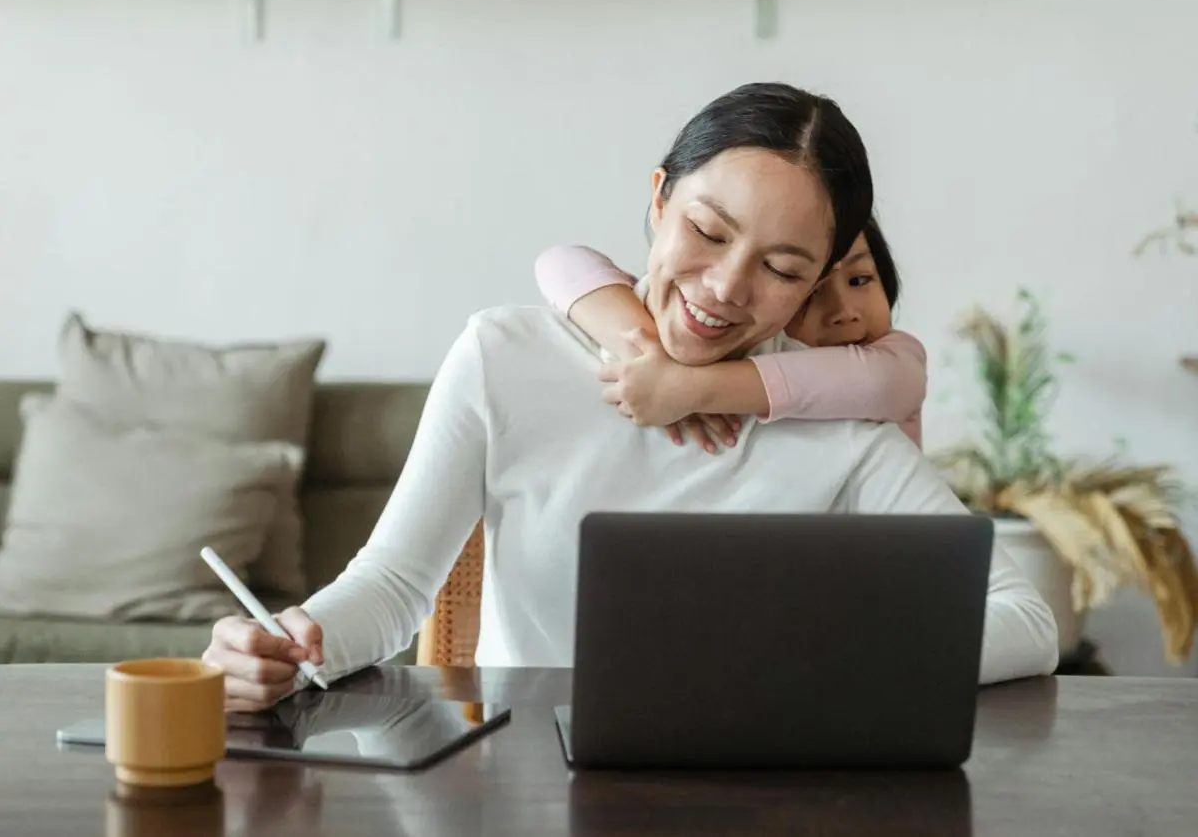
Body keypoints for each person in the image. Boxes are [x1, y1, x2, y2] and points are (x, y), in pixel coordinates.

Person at [203, 82, 1059, 712]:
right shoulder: (505, 357)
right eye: (707, 232)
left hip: (760, 796)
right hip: (525, 789)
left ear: (818, 282)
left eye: (782, 268)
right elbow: (392, 587)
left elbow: (1025, 619)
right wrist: (287, 641)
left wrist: (837, 657)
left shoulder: (837, 420)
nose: (724, 288)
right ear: (657, 201)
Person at [533, 216, 927, 450]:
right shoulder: (730, 342)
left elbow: (879, 383)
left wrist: (687, 387)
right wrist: (644, 353)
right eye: (810, 293)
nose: (844, 313)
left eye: (861, 279)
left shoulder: (895, 361)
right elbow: (561, 262)